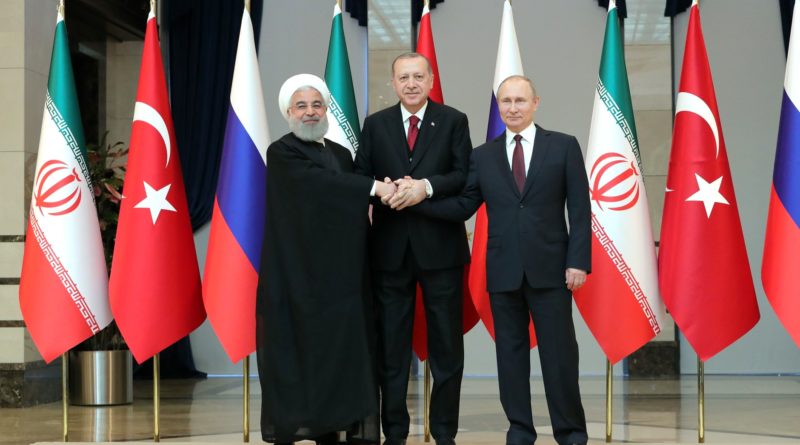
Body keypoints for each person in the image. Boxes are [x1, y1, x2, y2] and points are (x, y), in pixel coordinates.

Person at [394, 75, 591, 445]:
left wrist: (578, 261)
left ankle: (571, 432)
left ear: (536, 102)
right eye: (506, 102)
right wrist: (419, 201)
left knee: (560, 357)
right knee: (510, 358)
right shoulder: (483, 156)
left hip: (553, 271)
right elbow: (465, 204)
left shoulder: (563, 146)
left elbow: (580, 210)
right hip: (502, 272)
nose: (512, 108)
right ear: (498, 107)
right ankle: (519, 430)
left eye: (520, 100)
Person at [256, 74, 395, 445]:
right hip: (295, 277)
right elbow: (320, 186)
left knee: (340, 356)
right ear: (288, 111)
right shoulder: (281, 152)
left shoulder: (342, 155)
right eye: (301, 105)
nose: (309, 112)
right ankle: (297, 428)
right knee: (296, 357)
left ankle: (333, 427)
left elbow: (344, 205)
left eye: (317, 104)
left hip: (340, 279)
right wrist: (373, 187)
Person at [354, 52, 472, 445]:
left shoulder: (454, 120)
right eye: (403, 77)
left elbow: (462, 175)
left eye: (418, 76)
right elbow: (359, 177)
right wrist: (384, 190)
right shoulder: (375, 125)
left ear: (431, 79)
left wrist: (425, 188)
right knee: (391, 350)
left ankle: (444, 434)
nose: (410, 83)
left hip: (441, 251)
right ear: (393, 83)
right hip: (389, 253)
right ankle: (395, 433)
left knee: (447, 351)